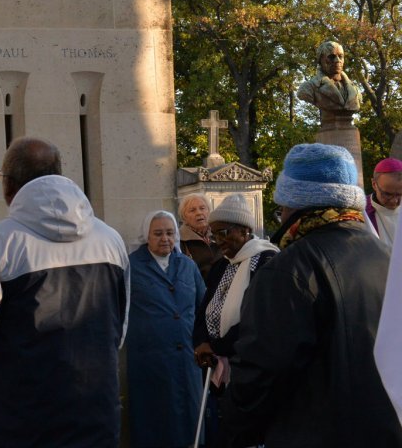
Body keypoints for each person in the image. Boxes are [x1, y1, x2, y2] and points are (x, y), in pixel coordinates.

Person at [0, 137, 129, 447]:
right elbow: (118, 327)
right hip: (95, 413)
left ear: (9, 185)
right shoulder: (110, 241)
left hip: (19, 421)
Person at [225, 143, 402, 446]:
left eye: (281, 204)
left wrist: (233, 430)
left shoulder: (288, 270)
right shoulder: (387, 256)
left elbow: (261, 372)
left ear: (295, 204)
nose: (280, 214)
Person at [191, 194, 277, 448]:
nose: (219, 241)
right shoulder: (221, 265)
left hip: (248, 367)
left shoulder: (266, 261)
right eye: (214, 234)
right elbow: (204, 309)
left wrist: (217, 347)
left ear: (245, 230)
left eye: (224, 233)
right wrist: (201, 341)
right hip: (221, 367)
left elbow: (259, 319)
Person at [126, 210, 206, 448]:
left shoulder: (187, 266)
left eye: (170, 233)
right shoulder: (131, 267)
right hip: (150, 361)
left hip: (186, 359)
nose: (165, 239)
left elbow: (203, 306)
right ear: (146, 236)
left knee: (189, 419)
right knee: (154, 421)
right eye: (158, 233)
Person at [296, 40, 361, 113]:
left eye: (340, 56)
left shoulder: (355, 89)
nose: (337, 60)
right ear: (320, 60)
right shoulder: (308, 88)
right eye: (331, 57)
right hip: (329, 122)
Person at [177, 194, 221, 285]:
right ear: (184, 217)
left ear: (209, 211)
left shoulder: (220, 235)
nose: (199, 213)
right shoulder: (178, 241)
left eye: (202, 208)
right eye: (192, 210)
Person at [367, 157, 402, 251]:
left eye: (399, 195)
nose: (394, 201)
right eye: (387, 194)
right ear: (374, 184)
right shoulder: (362, 211)